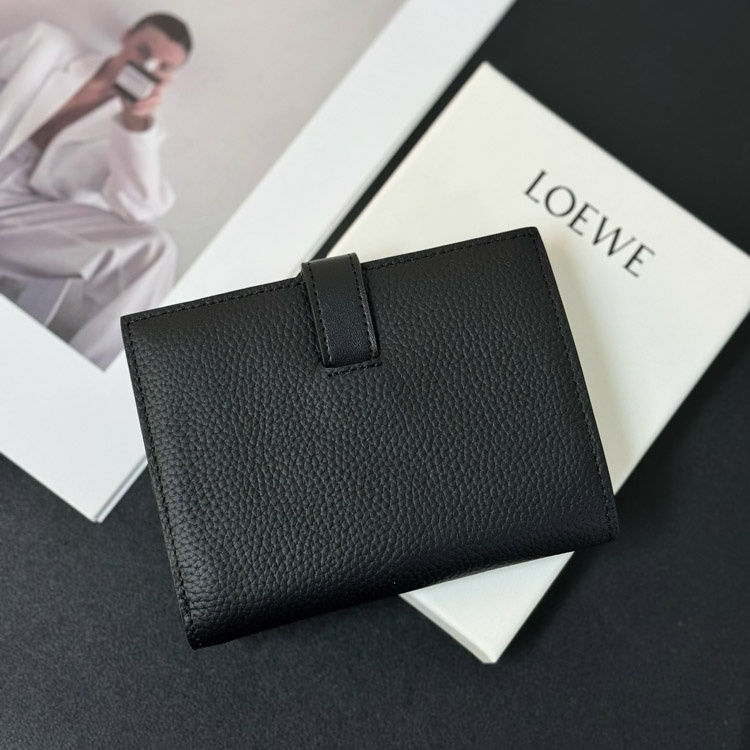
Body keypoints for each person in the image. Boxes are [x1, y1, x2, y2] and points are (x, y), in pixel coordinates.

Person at [0, 14, 192, 369]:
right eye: (143, 50)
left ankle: (85, 376)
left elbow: (140, 209)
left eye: (161, 66)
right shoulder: (47, 45)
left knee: (154, 250)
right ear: (126, 37)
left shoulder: (137, 129)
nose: (146, 65)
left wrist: (134, 124)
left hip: (21, 212)